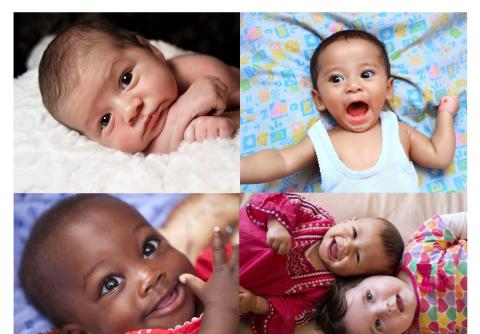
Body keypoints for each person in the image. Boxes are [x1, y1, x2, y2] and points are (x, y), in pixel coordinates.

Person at [19, 194, 238, 334]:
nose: (149, 275)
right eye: (111, 284)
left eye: (149, 247)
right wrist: (223, 309)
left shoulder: (217, 271)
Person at [240, 29, 459, 192]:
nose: (353, 86)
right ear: (319, 99)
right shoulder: (323, 140)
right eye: (336, 79)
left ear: (388, 88)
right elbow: (281, 160)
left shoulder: (398, 131)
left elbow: (440, 156)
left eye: (366, 74)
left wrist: (445, 115)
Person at [38, 20, 239, 155]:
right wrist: (183, 112)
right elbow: (152, 152)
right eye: (105, 120)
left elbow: (259, 105)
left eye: (126, 79)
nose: (129, 110)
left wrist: (231, 119)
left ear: (152, 50)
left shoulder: (204, 72)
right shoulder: (131, 152)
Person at [238, 193, 403, 334]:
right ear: (349, 221)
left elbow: (291, 313)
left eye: (358, 257)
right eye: (354, 233)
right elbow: (284, 200)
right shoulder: (318, 218)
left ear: (354, 276)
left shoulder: (321, 292)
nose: (348, 246)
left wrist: (255, 303)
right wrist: (276, 225)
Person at [316, 212, 467, 334]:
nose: (384, 309)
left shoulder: (417, 249)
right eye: (378, 324)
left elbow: (449, 224)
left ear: (370, 276)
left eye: (369, 296)